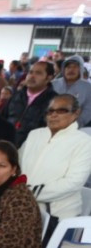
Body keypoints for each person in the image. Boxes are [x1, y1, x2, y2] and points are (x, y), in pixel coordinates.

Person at [19, 94, 91, 223]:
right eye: (50, 111)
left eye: (62, 110)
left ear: (76, 113)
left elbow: (73, 182)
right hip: (21, 207)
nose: (54, 115)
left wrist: (29, 193)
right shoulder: (35, 135)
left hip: (58, 214)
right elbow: (17, 165)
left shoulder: (84, 142)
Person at [5, 61, 57, 146]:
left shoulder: (54, 101)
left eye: (38, 73)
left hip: (34, 148)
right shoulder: (16, 95)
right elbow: (4, 117)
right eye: (30, 72)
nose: (32, 76)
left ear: (49, 78)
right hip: (7, 145)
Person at [50, 56, 91, 127]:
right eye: (68, 67)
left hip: (75, 126)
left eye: (75, 67)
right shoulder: (52, 84)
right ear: (63, 69)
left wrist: (76, 124)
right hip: (51, 123)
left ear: (80, 69)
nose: (71, 70)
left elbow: (88, 110)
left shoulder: (88, 87)